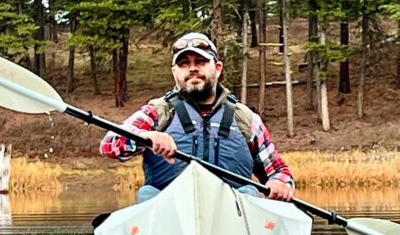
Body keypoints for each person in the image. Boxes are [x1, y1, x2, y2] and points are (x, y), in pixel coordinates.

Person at [100, 32, 294, 203]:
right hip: (168, 214)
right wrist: (145, 136)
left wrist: (279, 183)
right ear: (175, 72)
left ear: (217, 68)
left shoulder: (246, 118)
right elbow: (109, 144)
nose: (192, 68)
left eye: (200, 62)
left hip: (234, 215)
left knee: (249, 191)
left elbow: (280, 172)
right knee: (147, 193)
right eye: (184, 64)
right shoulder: (156, 112)